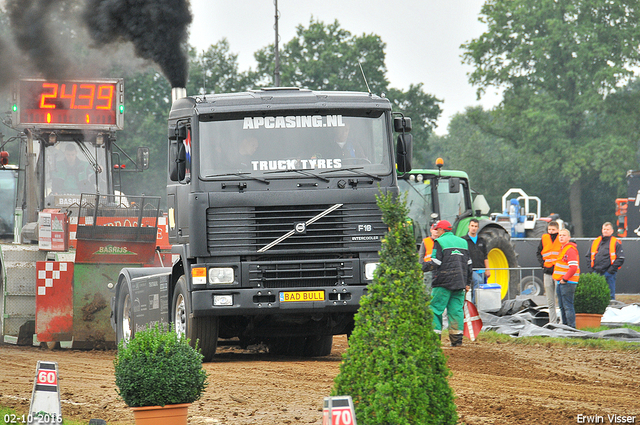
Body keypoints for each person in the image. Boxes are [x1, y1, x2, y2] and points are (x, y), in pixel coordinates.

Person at [424, 219, 473, 347]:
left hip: (442, 284)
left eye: (437, 229)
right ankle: (456, 341)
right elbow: (469, 265)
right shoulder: (463, 242)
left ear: (442, 230)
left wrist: (420, 267)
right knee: (456, 311)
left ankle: (434, 341)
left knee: (435, 309)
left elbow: (436, 263)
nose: (436, 232)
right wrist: (467, 283)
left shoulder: (439, 242)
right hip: (460, 284)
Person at [586, 222, 624, 300]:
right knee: (595, 295)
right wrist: (591, 270)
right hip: (596, 272)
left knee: (610, 296)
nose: (605, 231)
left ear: (612, 231)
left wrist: (610, 271)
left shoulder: (615, 242)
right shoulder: (596, 241)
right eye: (604, 229)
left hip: (609, 273)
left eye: (607, 229)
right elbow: (588, 256)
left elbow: (621, 258)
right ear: (602, 230)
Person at [553, 229, 580, 328]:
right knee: (562, 306)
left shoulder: (570, 249)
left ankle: (571, 327)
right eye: (560, 235)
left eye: (564, 235)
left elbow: (573, 267)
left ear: (569, 238)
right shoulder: (563, 249)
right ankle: (565, 327)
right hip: (562, 282)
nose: (561, 237)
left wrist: (564, 279)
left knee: (568, 306)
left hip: (568, 282)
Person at [536, 221, 561, 324]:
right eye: (549, 230)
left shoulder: (561, 238)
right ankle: (552, 322)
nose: (551, 232)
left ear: (558, 230)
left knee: (560, 299)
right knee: (550, 301)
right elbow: (538, 252)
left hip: (558, 272)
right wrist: (543, 264)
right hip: (547, 271)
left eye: (553, 230)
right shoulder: (544, 238)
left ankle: (561, 322)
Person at [463, 218, 490, 303]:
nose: (473, 228)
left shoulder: (482, 240)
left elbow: (485, 256)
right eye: (472, 226)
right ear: (468, 227)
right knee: (478, 281)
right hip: (470, 269)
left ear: (478, 228)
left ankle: (479, 306)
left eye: (475, 226)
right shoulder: (464, 240)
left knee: (480, 288)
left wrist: (488, 269)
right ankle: (474, 306)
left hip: (481, 269)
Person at [418, 224, 439, 295]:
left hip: (439, 271)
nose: (436, 231)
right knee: (427, 293)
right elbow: (421, 257)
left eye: (437, 229)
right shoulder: (426, 242)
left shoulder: (441, 241)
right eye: (434, 229)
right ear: (431, 230)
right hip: (428, 271)